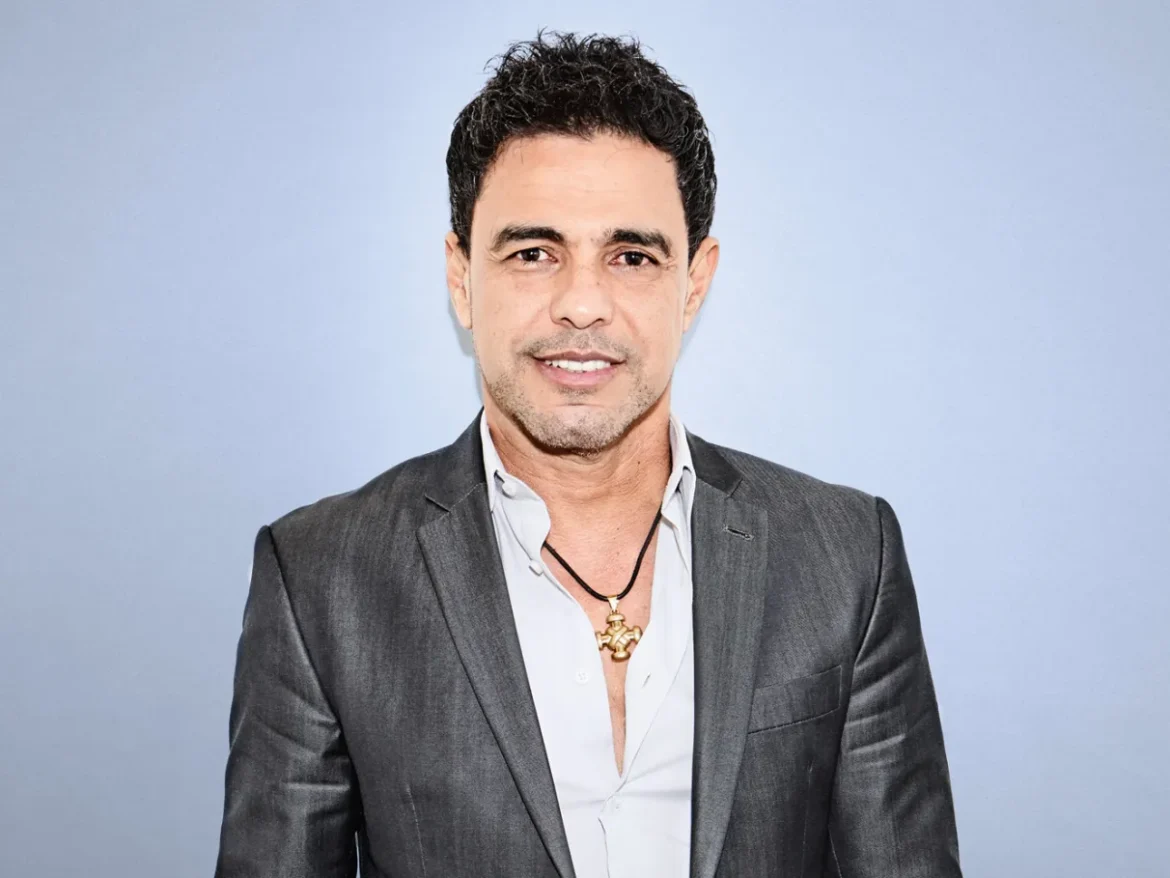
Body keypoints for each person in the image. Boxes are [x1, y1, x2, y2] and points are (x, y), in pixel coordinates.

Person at [214, 30, 962, 878]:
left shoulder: (847, 556)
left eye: (631, 256)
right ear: (461, 277)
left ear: (694, 281)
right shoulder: (321, 579)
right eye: (534, 253)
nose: (581, 303)